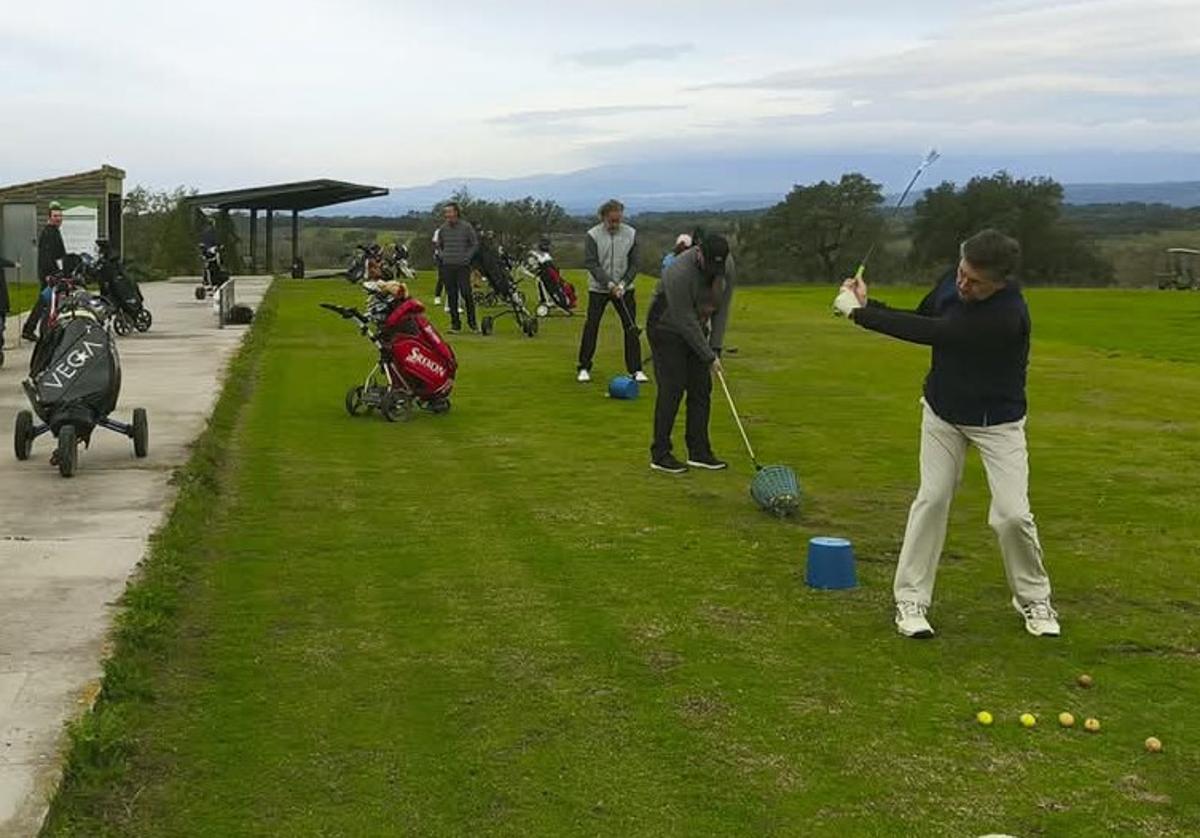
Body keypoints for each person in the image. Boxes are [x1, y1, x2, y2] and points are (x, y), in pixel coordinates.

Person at [833, 228, 1059, 640]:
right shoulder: (954, 281)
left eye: (974, 282)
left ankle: (1033, 598)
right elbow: (925, 318)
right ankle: (911, 599)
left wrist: (857, 314)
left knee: (1012, 515)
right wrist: (868, 303)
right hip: (943, 414)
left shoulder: (1006, 315)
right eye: (961, 272)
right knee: (932, 499)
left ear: (1000, 282)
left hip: (999, 423)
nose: (962, 284)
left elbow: (938, 334)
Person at [646, 233, 735, 473]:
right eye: (710, 265)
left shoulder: (725, 265)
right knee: (672, 388)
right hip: (665, 326)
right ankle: (660, 454)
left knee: (701, 388)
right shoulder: (678, 273)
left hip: (695, 322)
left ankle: (699, 452)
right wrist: (708, 355)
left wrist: (715, 347)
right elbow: (683, 320)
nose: (714, 271)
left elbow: (722, 307)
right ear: (699, 253)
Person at [577, 199, 646, 383]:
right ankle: (584, 367)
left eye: (618, 220)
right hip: (598, 289)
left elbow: (635, 263)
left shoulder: (631, 234)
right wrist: (609, 284)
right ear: (603, 218)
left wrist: (622, 284)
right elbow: (591, 262)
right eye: (612, 221)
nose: (615, 224)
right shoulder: (593, 235)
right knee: (591, 326)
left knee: (630, 327)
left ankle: (635, 370)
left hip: (625, 289)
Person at [23, 202, 67, 342]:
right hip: (49, 275)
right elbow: (46, 256)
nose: (58, 218)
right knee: (44, 302)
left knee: (44, 302)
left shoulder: (55, 231)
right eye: (55, 216)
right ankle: (31, 329)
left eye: (60, 216)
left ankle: (33, 328)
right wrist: (50, 274)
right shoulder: (49, 232)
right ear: (49, 217)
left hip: (53, 273)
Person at [434, 202, 478, 333]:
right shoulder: (443, 229)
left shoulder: (466, 227)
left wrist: (467, 256)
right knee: (451, 295)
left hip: (463, 266)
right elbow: (439, 245)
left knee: (466, 293)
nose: (447, 215)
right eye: (445, 212)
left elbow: (474, 244)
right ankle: (455, 325)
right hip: (448, 266)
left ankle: (473, 323)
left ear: (456, 212)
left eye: (449, 212)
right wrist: (443, 256)